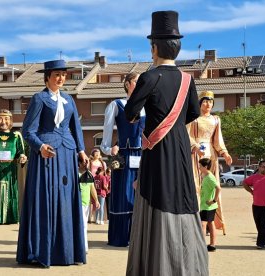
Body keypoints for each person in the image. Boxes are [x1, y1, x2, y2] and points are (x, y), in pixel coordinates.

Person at [124, 11, 208, 275]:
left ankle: (156, 264)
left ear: (154, 48)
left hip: (157, 149)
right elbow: (193, 113)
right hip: (181, 146)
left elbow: (130, 113)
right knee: (183, 197)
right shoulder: (187, 79)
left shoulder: (149, 77)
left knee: (156, 196)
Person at [17, 60, 89, 267]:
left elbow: (76, 128)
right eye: (56, 74)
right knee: (46, 201)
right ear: (47, 77)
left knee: (67, 201)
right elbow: (28, 131)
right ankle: (43, 252)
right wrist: (40, 147)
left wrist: (82, 151)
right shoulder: (39, 98)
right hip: (46, 155)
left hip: (67, 152)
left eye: (63, 75)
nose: (60, 78)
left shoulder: (69, 100)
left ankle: (68, 252)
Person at [100, 71, 145, 247]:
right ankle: (120, 237)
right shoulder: (116, 104)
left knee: (142, 194)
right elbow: (107, 133)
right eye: (136, 81)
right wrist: (108, 149)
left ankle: (140, 237)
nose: (139, 84)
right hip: (122, 155)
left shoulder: (147, 106)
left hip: (143, 154)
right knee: (122, 193)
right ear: (127, 84)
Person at [187, 90, 232, 235]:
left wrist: (224, 153)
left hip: (211, 156)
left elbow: (218, 140)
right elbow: (187, 135)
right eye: (205, 101)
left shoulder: (216, 119)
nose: (208, 104)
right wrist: (195, 147)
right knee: (197, 186)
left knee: (211, 187)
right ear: (200, 103)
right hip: (196, 155)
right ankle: (198, 222)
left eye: (211, 101)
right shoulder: (193, 119)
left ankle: (211, 221)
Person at [199, 158, 221, 252]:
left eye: (200, 166)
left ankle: (201, 245)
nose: (199, 167)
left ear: (205, 166)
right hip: (206, 205)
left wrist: (214, 200)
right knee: (210, 223)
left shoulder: (210, 177)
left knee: (203, 224)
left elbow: (218, 188)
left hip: (208, 206)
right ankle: (212, 245)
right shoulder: (205, 175)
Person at [79, 162, 100, 254]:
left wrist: (96, 200)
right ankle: (81, 247)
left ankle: (84, 247)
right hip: (76, 204)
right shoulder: (74, 173)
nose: (86, 163)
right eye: (84, 161)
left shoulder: (89, 175)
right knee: (81, 225)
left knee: (84, 225)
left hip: (85, 204)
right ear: (79, 163)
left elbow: (92, 188)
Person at [88, 149, 106, 222]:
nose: (97, 154)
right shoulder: (90, 162)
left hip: (100, 183)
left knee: (99, 201)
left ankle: (99, 217)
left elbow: (104, 173)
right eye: (96, 153)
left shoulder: (103, 163)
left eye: (98, 153)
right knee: (91, 200)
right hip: (92, 182)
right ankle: (90, 217)